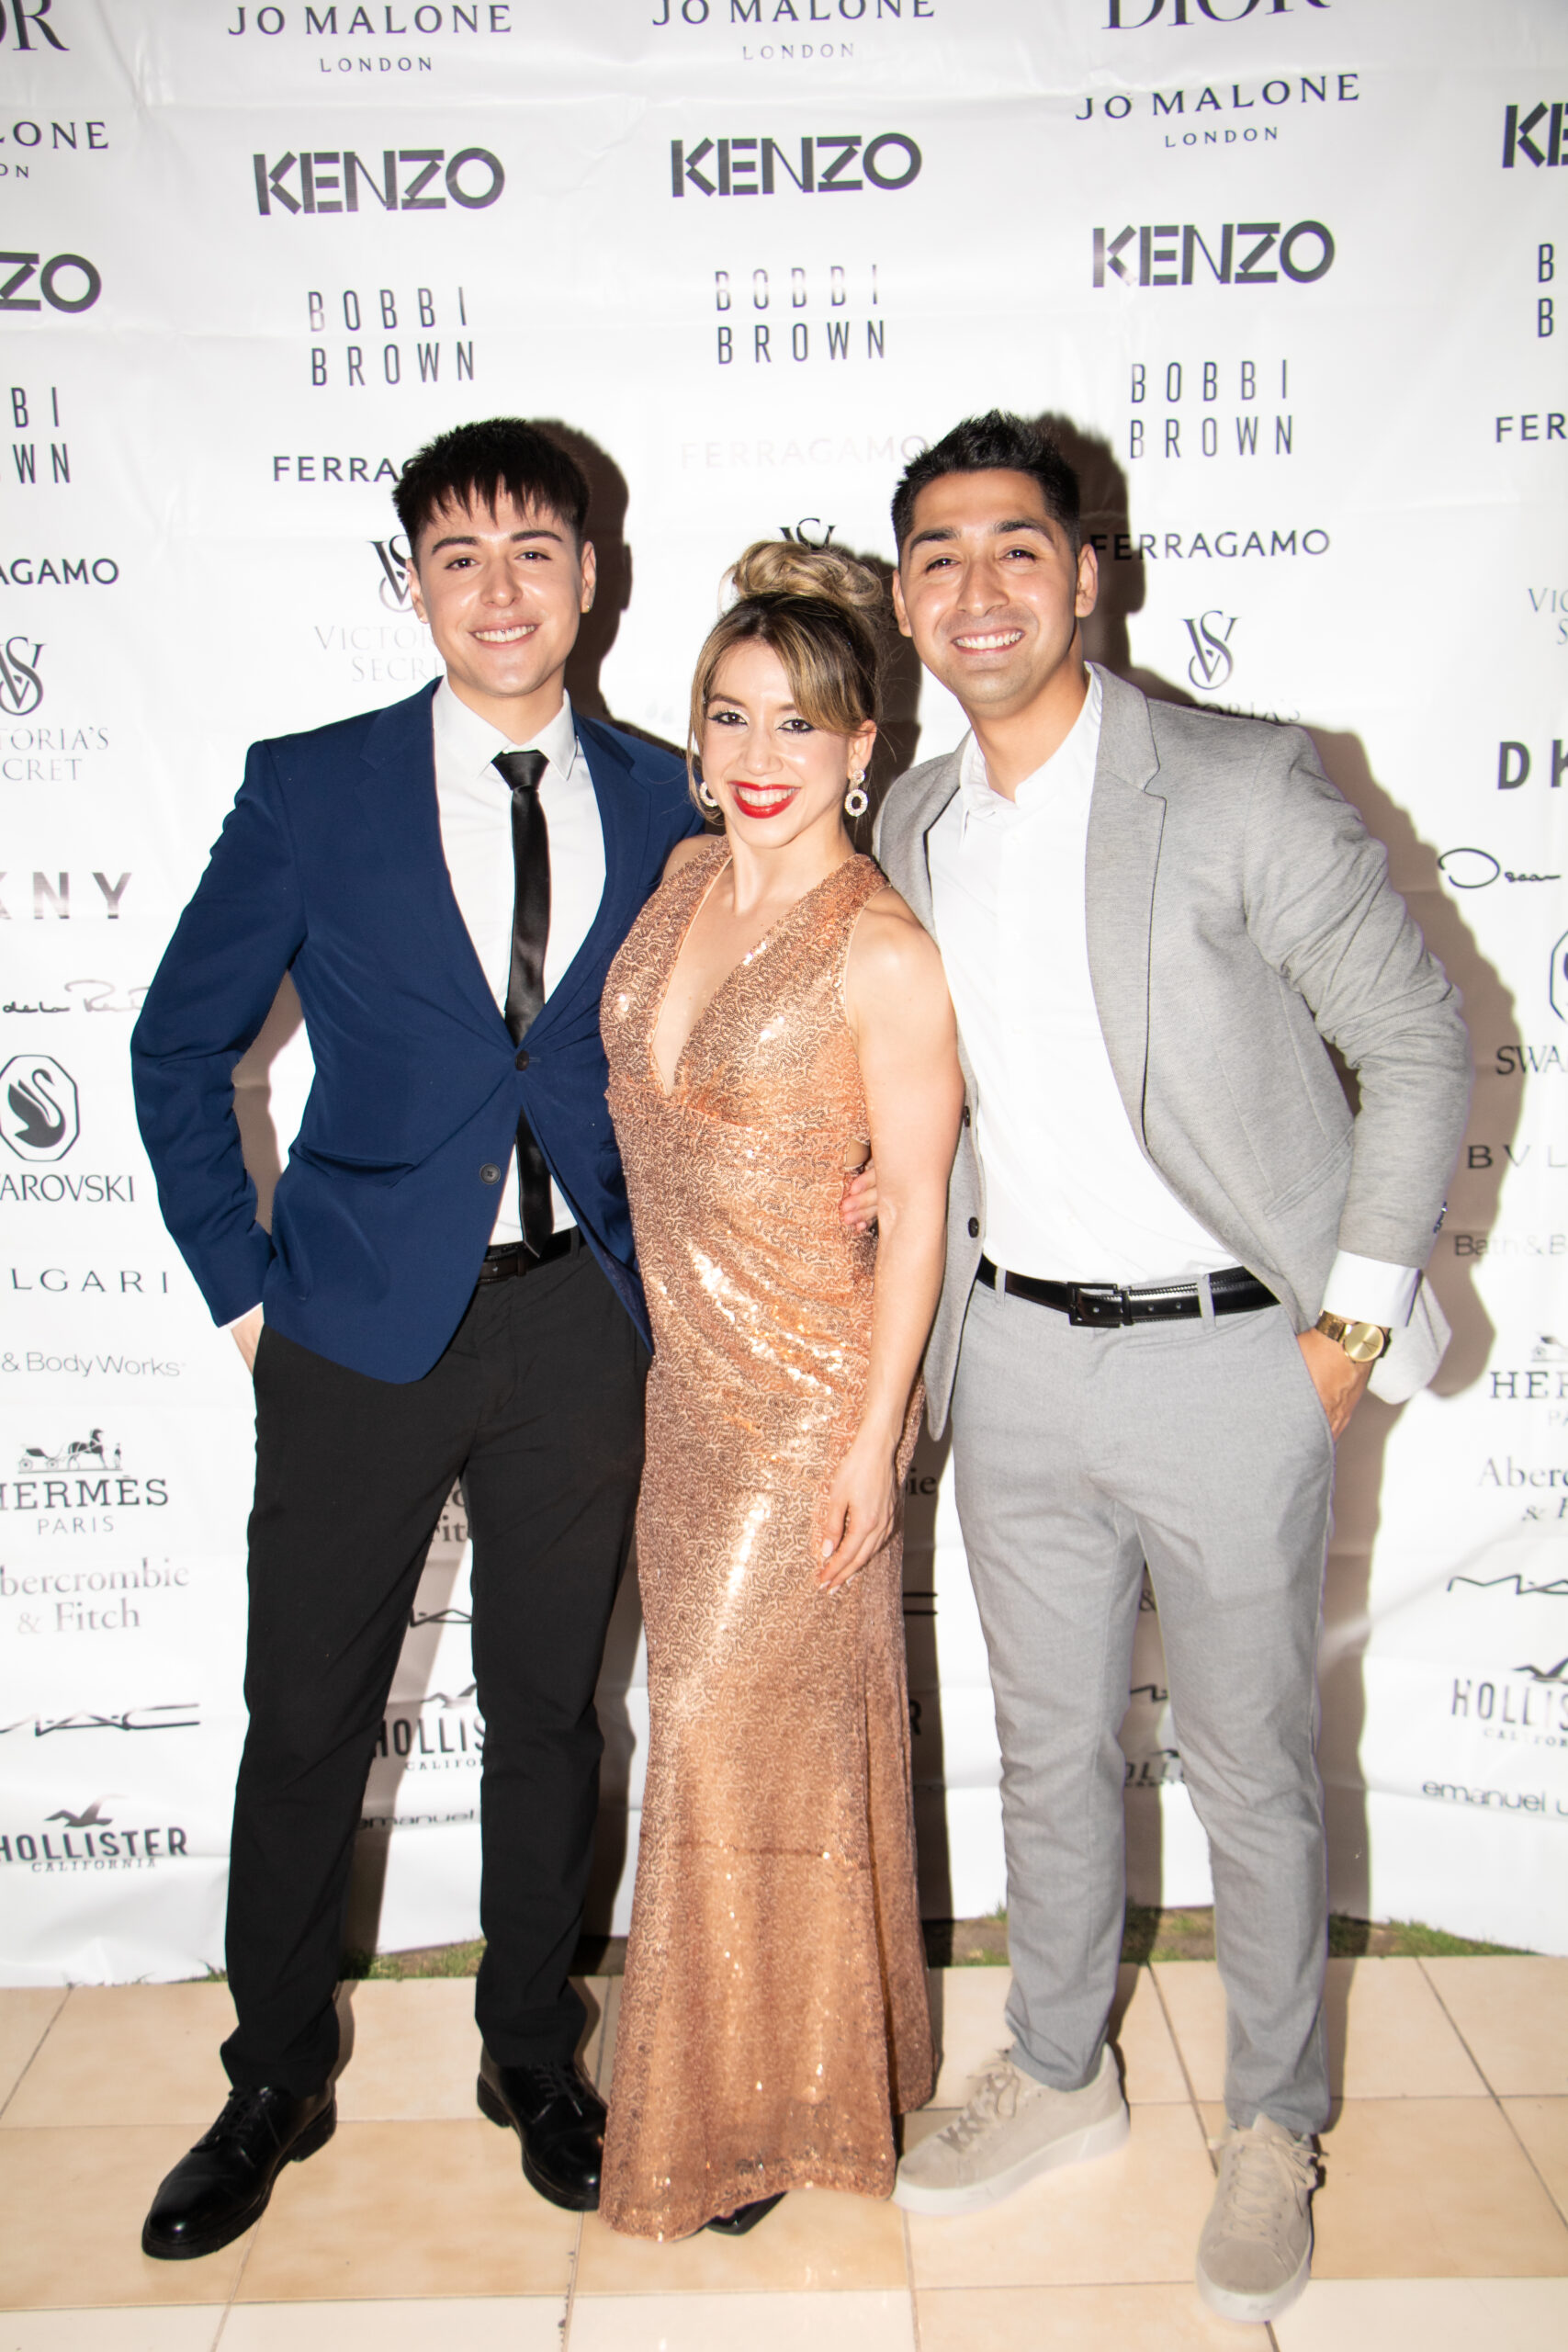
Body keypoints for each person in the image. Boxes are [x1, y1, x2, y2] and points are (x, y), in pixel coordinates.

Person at [874, 413, 1470, 2324]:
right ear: (905, 600)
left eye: (1015, 547)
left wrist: (1344, 1336)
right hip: (1014, 1363)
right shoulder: (910, 823)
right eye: (938, 556)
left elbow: (1417, 1041)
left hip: (1232, 1361)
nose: (978, 588)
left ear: (1086, 573)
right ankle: (1061, 2068)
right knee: (1047, 1753)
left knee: (1250, 1770)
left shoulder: (1234, 785)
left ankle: (1273, 2122)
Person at [129, 417, 713, 2257]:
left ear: (590, 575)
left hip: (582, 1331)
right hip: (352, 1330)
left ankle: (529, 2051)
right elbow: (176, 1047)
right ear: (413, 585)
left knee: (550, 1710)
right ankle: (272, 2074)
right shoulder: (312, 789)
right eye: (458, 556)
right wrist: (244, 1292)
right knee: (307, 1715)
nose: (500, 588)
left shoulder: (673, 799)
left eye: (534, 549)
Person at [597, 542, 963, 2240]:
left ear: (863, 746)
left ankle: (752, 2119)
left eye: (801, 723)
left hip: (813, 1401)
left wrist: (876, 1441)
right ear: (694, 733)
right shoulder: (684, 878)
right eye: (732, 715)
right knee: (738, 1743)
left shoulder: (880, 948)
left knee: (731, 1737)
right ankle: (806, 2079)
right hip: (686, 1393)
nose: (762, 754)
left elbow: (921, 1216)